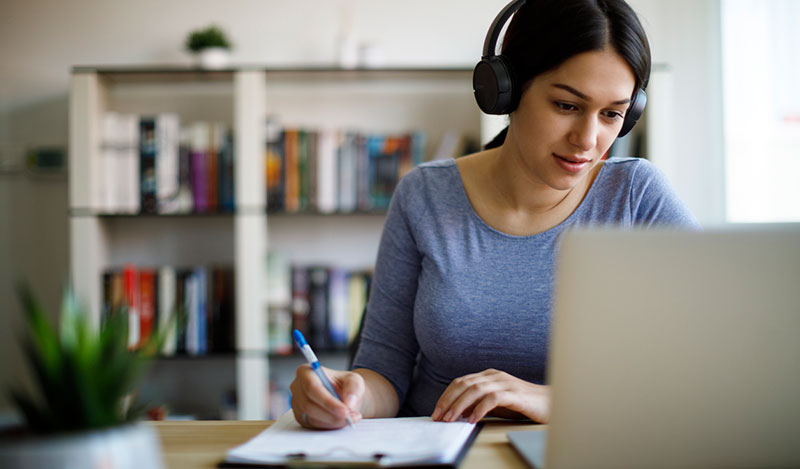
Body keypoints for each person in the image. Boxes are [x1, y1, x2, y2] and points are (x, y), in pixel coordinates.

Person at [289, 0, 700, 430]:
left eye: (612, 113)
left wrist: (552, 400)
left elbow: (709, 364)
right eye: (566, 105)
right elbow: (383, 371)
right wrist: (348, 392)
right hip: (439, 452)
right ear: (506, 89)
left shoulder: (637, 197)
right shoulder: (424, 195)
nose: (588, 139)